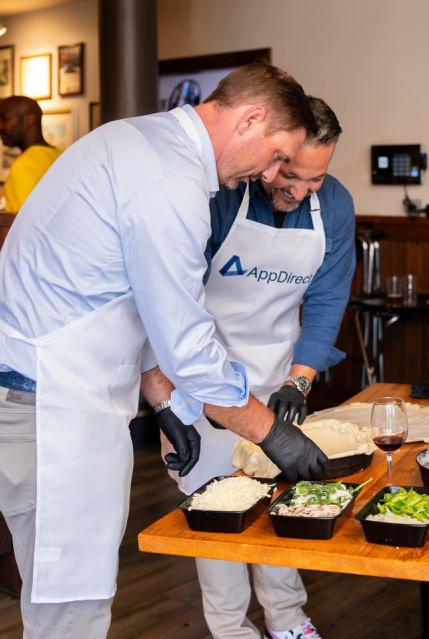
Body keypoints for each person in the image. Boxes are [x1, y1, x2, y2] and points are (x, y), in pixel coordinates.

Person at [0, 61, 332, 639]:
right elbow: (188, 348)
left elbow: (123, 299)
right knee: (70, 615)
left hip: (28, 397)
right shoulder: (171, 182)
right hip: (46, 415)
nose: (271, 174)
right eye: (277, 156)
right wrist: (270, 432)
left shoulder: (139, 141)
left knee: (63, 606)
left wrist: (164, 401)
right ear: (251, 119)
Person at [147, 97, 354, 639]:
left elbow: (328, 299)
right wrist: (167, 400)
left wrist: (299, 381)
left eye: (315, 179)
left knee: (284, 502)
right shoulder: (219, 198)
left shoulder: (334, 205)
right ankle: (231, 630)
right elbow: (167, 306)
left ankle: (287, 620)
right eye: (291, 175)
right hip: (198, 385)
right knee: (219, 515)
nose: (301, 191)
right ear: (271, 155)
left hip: (276, 380)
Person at [0, 95, 63, 213]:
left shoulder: (23, 166)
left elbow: (22, 221)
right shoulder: (60, 156)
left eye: (4, 119)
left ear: (29, 120)